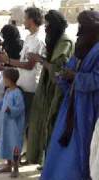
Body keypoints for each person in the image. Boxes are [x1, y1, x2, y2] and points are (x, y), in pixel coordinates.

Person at [41, 10, 99, 180]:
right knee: (62, 149)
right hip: (71, 106)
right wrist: (63, 76)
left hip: (89, 109)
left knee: (81, 151)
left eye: (83, 26)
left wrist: (75, 77)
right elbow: (71, 67)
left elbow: (96, 79)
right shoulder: (82, 46)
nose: (79, 30)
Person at [26, 10, 74, 165]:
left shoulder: (65, 43)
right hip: (47, 90)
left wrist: (39, 59)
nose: (45, 28)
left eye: (48, 24)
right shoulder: (54, 41)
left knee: (53, 125)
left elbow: (59, 71)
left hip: (58, 93)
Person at [0, 68, 25, 178]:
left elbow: (20, 108)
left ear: (9, 79)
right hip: (6, 124)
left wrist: (10, 110)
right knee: (6, 142)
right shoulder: (8, 91)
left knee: (14, 144)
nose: (3, 80)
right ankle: (8, 165)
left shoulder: (17, 93)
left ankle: (15, 167)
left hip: (14, 126)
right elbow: (2, 103)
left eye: (4, 78)